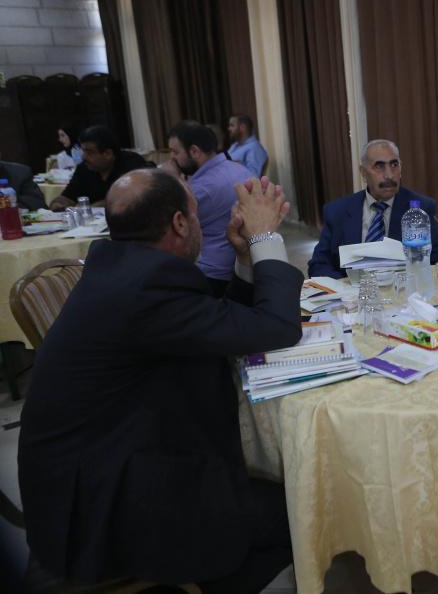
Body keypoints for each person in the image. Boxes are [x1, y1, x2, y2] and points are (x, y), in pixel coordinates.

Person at [18, 169, 301, 592]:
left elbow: (218, 328)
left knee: (266, 497)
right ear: (180, 223)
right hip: (104, 508)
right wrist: (264, 238)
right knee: (300, 509)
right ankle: (209, 574)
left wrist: (244, 259)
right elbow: (278, 327)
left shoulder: (123, 269)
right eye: (195, 213)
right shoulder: (146, 288)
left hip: (98, 469)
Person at [308, 138, 438, 278]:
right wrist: (347, 286)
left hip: (403, 289)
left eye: (394, 165)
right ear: (363, 173)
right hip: (351, 289)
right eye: (379, 166)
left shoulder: (420, 209)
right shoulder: (338, 212)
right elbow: (319, 265)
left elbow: (435, 265)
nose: (389, 175)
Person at [167, 120, 256, 297]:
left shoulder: (200, 189)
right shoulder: (239, 169)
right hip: (246, 266)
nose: (172, 159)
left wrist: (170, 181)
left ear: (194, 151)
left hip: (212, 275)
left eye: (175, 152)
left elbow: (166, 224)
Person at [49, 125, 151, 211]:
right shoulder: (84, 168)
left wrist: (95, 206)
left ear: (108, 154)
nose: (83, 157)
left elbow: (134, 199)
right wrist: (58, 204)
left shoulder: (132, 163)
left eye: (89, 152)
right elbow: (68, 196)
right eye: (83, 151)